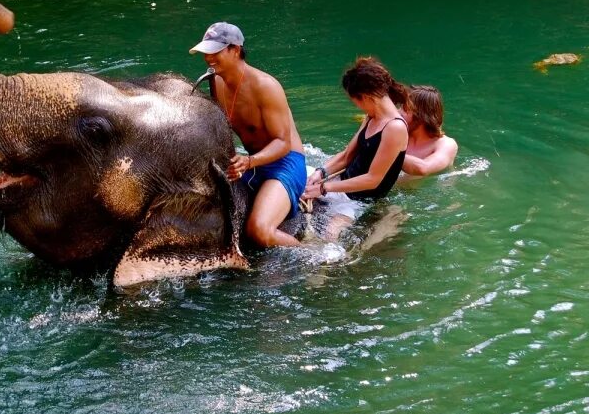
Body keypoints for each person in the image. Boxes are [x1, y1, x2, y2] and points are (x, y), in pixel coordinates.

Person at [190, 22, 307, 247]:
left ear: (235, 50)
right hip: (251, 162)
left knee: (259, 230)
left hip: (285, 163)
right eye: (206, 52)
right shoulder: (215, 80)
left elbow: (283, 143)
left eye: (215, 51)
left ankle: (312, 253)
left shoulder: (266, 86)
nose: (208, 58)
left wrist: (250, 161)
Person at [301, 57, 409, 235]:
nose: (357, 107)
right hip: (338, 184)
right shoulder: (371, 116)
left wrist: (323, 188)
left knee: (329, 236)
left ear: (367, 97)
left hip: (357, 200)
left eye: (355, 101)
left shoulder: (395, 128)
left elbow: (373, 179)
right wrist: (321, 172)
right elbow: (346, 156)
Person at [400, 85, 458, 176]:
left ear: (422, 117)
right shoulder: (398, 136)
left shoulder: (446, 144)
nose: (398, 113)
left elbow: (424, 168)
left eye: (405, 109)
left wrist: (386, 152)